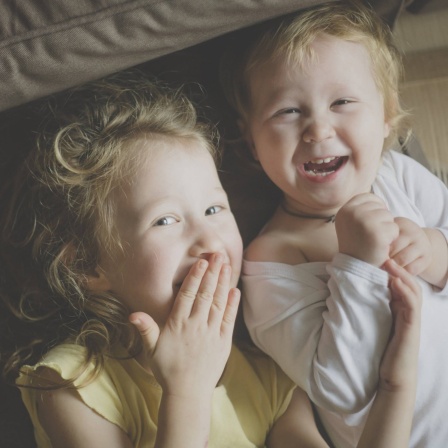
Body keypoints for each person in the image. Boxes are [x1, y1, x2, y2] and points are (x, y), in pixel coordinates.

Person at [0, 72, 421, 448]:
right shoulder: (73, 387)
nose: (209, 240)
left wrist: (395, 385)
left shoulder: (268, 375)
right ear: (88, 267)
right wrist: (187, 392)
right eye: (165, 220)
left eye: (215, 210)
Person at [220, 0, 448, 447]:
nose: (317, 130)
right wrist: (357, 264)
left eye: (342, 102)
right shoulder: (272, 259)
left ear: (386, 116)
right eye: (287, 111)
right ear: (250, 140)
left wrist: (434, 250)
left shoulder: (397, 174)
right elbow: (343, 390)